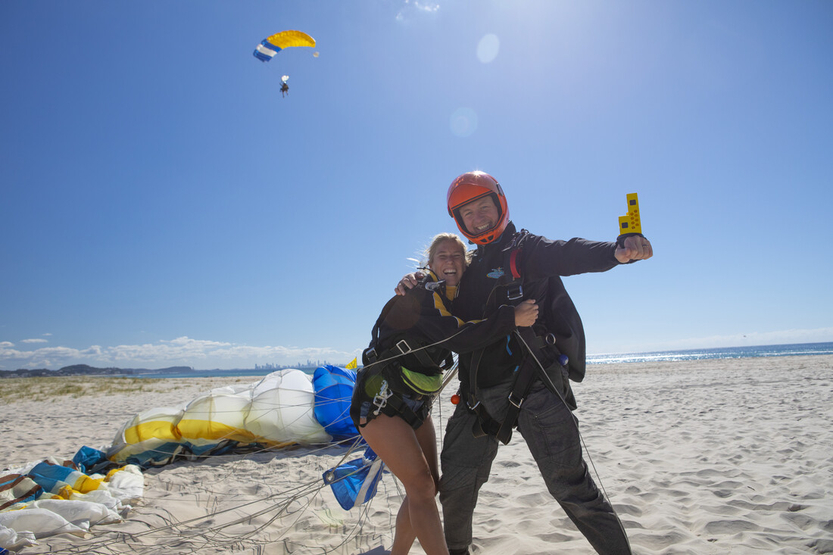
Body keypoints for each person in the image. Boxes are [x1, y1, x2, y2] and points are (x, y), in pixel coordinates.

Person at [395, 171, 653, 555]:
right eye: (468, 213)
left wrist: (615, 252)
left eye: (484, 207)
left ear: (500, 206)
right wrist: (414, 282)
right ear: (459, 221)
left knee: (572, 489)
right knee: (457, 487)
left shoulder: (525, 249)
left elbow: (567, 252)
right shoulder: (467, 267)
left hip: (535, 389)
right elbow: (443, 297)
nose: (478, 217)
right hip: (476, 397)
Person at [353, 232, 539, 555]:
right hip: (378, 400)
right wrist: (512, 318)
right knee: (422, 487)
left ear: (466, 265)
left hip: (415, 403)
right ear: (430, 263)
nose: (450, 261)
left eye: (457, 256)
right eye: (442, 256)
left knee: (428, 485)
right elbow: (458, 336)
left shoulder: (460, 297)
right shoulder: (423, 293)